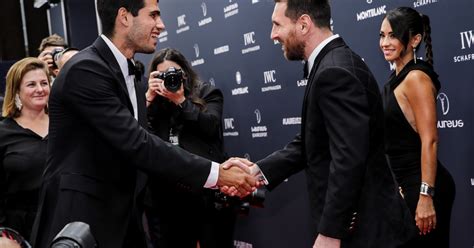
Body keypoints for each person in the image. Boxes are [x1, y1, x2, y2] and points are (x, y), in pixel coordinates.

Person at [30, 1, 258, 248]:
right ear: (125, 17)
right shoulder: (86, 69)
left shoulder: (133, 77)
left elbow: (146, 142)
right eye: (154, 15)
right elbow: (138, 143)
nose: (161, 25)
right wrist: (217, 174)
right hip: (81, 220)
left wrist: (216, 168)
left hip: (123, 217)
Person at [224, 1, 417, 247]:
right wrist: (257, 172)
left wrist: (330, 232)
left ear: (303, 24)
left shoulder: (334, 71)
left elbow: (348, 158)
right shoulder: (331, 63)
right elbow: (313, 142)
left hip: (368, 232)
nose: (273, 35)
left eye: (277, 25)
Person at [379, 7, 455, 247]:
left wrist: (425, 196)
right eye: (382, 35)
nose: (385, 42)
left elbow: (430, 140)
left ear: (415, 40)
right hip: (406, 188)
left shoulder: (416, 79)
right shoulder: (394, 79)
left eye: (393, 35)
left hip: (425, 190)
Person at [145, 48, 235, 248]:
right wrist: (149, 99)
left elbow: (211, 127)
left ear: (185, 73)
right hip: (168, 198)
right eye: (162, 75)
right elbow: (136, 134)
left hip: (206, 195)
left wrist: (181, 101)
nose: (170, 79)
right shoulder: (154, 104)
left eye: (174, 73)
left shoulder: (207, 92)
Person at [0, 57, 50, 240]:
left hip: (66, 224)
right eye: (31, 85)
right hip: (21, 232)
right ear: (16, 91)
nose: (40, 89)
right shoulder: (4, 133)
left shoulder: (65, 126)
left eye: (44, 83)